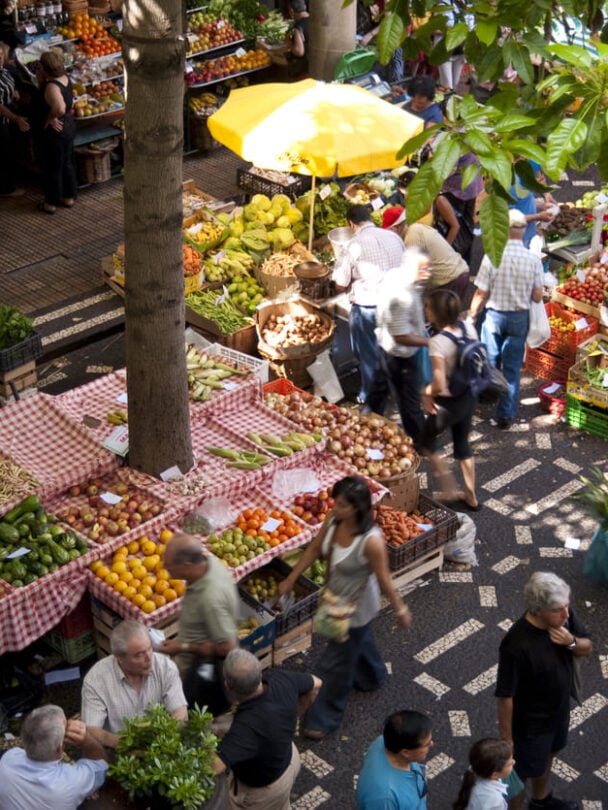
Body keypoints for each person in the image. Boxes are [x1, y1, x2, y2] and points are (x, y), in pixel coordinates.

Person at [277, 476, 412, 740]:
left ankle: (324, 717)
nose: (334, 507)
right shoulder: (333, 520)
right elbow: (315, 549)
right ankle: (373, 675)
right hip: (334, 597)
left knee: (335, 664)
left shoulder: (371, 541)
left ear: (357, 508)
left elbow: (384, 578)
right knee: (357, 645)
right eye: (335, 502)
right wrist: (290, 579)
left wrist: (400, 609)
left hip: (356, 609)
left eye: (341, 504)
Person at [495, 572, 592, 810]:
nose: (566, 614)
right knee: (518, 776)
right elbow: (505, 695)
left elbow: (587, 647)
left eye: (567, 606)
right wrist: (507, 740)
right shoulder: (516, 645)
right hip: (529, 727)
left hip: (558, 714)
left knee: (550, 753)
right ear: (538, 609)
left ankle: (540, 800)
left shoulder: (564, 621)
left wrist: (571, 642)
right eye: (558, 609)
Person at [212, 648, 322, 809]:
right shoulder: (282, 680)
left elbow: (215, 766)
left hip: (264, 791)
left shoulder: (246, 728)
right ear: (259, 673)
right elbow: (316, 683)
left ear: (228, 685)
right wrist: (295, 714)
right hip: (289, 759)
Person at [468, 208, 544, 430]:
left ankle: (486, 398)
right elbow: (538, 296)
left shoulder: (492, 256)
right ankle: (506, 414)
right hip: (519, 318)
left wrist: (472, 316)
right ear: (523, 230)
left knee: (490, 361)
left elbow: (481, 292)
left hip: (493, 317)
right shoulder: (533, 259)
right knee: (512, 368)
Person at [332, 203, 405, 406]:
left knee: (367, 352)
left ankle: (371, 397)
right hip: (396, 303)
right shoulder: (394, 237)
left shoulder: (353, 245)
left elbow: (339, 283)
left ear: (351, 224)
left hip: (369, 308)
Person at [159, 531, 239, 715]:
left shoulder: (211, 597)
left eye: (169, 564)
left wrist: (182, 646)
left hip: (198, 669)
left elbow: (226, 647)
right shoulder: (208, 565)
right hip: (194, 657)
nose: (164, 566)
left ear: (186, 565)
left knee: (192, 712)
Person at [81, 619, 187, 749]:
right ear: (119, 657)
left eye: (149, 649)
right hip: (118, 751)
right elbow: (91, 730)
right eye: (139, 655)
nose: (149, 658)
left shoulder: (166, 667)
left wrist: (163, 739)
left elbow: (180, 711)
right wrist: (124, 743)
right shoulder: (96, 680)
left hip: (162, 746)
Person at [365, 249, 430, 450]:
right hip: (399, 355)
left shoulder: (397, 276)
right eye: (424, 268)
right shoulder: (403, 296)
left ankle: (365, 422)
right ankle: (421, 442)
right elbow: (401, 335)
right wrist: (429, 342)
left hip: (386, 347)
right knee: (409, 401)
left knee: (379, 389)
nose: (428, 272)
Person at [421, 289, 480, 510]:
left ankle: (448, 489)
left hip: (449, 403)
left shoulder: (438, 342)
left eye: (427, 307)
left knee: (426, 441)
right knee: (462, 443)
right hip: (470, 394)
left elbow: (439, 384)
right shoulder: (468, 326)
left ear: (435, 314)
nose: (425, 310)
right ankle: (471, 495)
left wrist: (425, 393)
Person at [0, 704, 108, 810]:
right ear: (59, 749)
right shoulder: (71, 782)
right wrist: (87, 739)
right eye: (66, 728)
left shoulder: (8, 759)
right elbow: (102, 764)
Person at [382, 204, 470, 299]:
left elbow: (413, 274)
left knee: (438, 313)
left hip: (449, 279)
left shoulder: (412, 235)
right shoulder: (415, 228)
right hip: (456, 274)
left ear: (395, 228)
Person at [30, 48, 76, 214]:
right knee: (66, 164)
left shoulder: (51, 87)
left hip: (54, 133)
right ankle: (69, 197)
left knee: (51, 167)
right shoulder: (64, 78)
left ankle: (51, 203)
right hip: (68, 128)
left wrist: (50, 117)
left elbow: (60, 107)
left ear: (45, 67)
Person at [356, 710, 433, 809]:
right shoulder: (385, 798)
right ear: (406, 752)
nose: (431, 744)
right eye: (426, 744)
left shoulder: (382, 741)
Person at [0, 40, 29, 197]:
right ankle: (6, 188)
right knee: (4, 152)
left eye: (1, 55)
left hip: (9, 115)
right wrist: (16, 118)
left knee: (9, 149)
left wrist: (13, 91)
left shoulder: (3, 70)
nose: (0, 59)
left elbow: (6, 83)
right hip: (2, 120)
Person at [452, 738, 515, 810]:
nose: (514, 762)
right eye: (509, 764)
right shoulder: (495, 802)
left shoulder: (476, 770)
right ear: (494, 775)